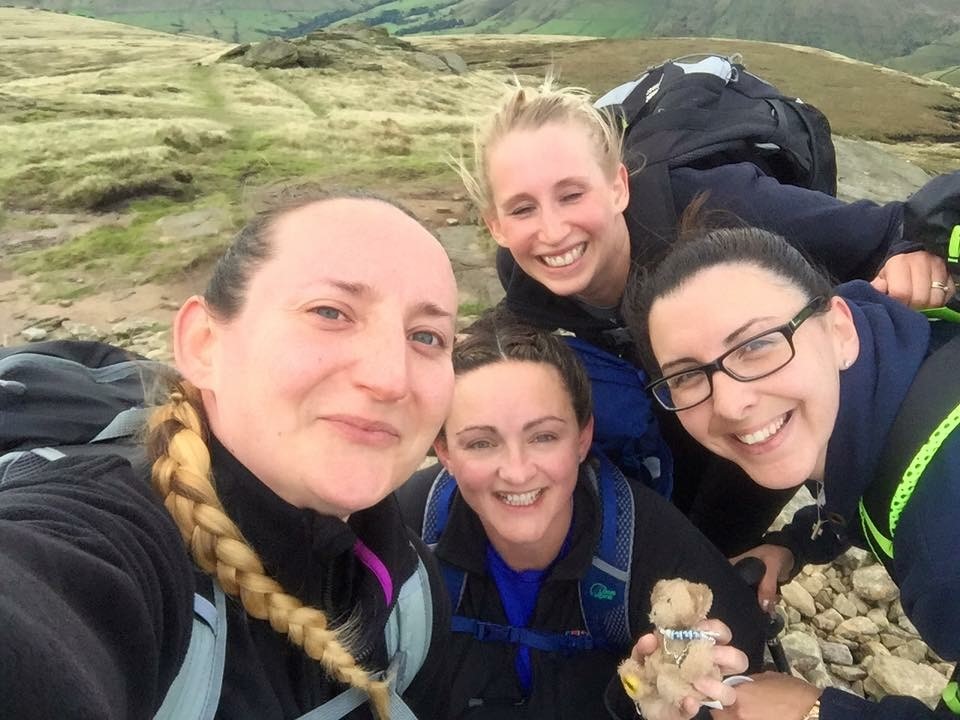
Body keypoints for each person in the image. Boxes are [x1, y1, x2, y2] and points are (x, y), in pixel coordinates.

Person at [0, 191, 460, 719]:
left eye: (427, 336)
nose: (390, 379)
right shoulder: (109, 537)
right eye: (331, 312)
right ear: (202, 344)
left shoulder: (411, 592)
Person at [457, 78, 955, 557]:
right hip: (680, 388)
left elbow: (883, 230)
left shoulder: (721, 205)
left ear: (617, 188)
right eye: (523, 209)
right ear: (495, 225)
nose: (551, 231)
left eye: (571, 195)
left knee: (714, 540)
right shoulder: (524, 276)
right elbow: (512, 336)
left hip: (760, 394)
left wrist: (914, 250)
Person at [625, 223, 960, 719]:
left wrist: (814, 709)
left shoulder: (943, 551)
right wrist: (796, 544)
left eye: (757, 343)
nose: (733, 404)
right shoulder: (894, 359)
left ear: (838, 328)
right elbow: (864, 475)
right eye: (688, 375)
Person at [397, 317, 762, 719]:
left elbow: (744, 676)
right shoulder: (405, 526)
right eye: (481, 443)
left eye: (544, 437)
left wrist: (664, 698)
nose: (517, 471)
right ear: (444, 452)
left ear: (583, 438)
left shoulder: (649, 549)